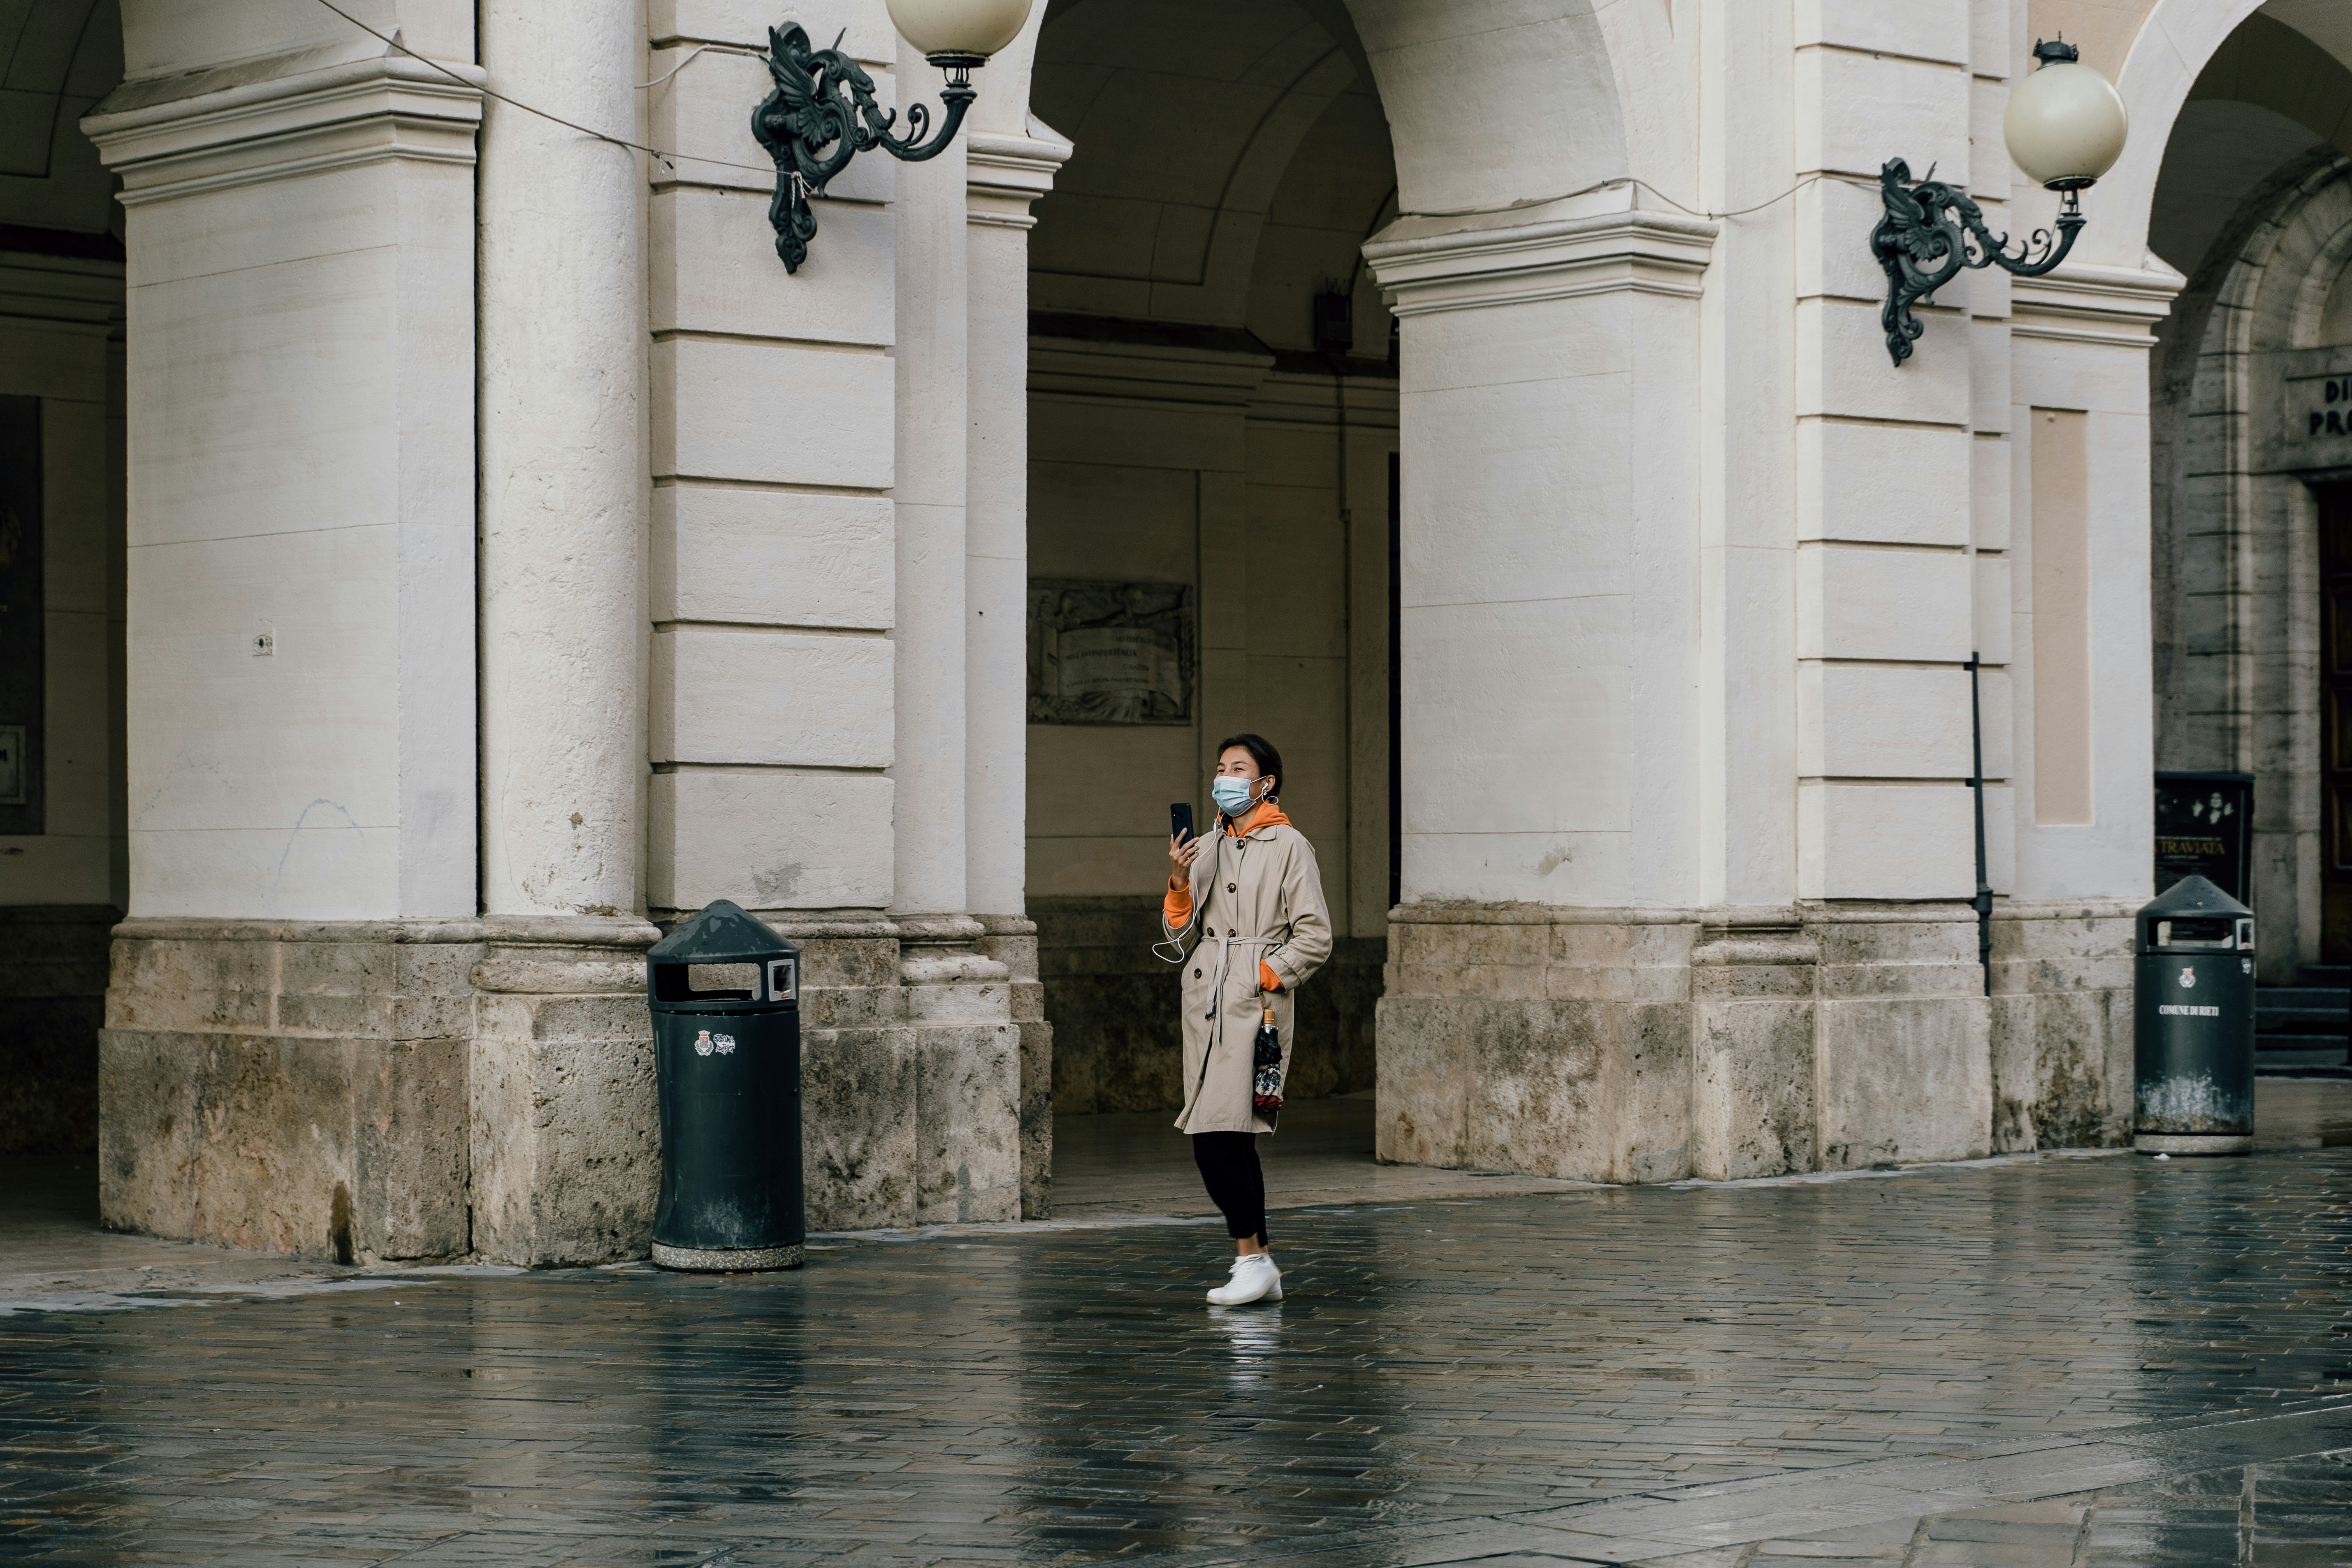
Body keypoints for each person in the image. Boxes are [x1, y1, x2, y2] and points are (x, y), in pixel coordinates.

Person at [1163, 733, 1333, 1305]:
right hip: (1204, 1000)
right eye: (1220, 768)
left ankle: (1252, 1259)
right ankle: (1256, 1261)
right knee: (1216, 1136)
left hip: (1254, 1007)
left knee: (1228, 1134)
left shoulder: (1290, 845)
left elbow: (1314, 937)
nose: (1226, 777)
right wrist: (1179, 883)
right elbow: (1177, 933)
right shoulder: (1206, 845)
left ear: (1267, 782)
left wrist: (1265, 973)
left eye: (1239, 768)